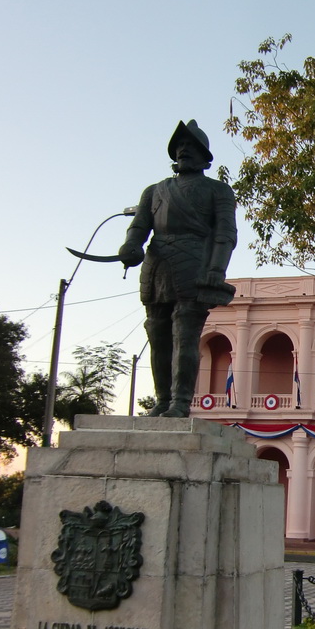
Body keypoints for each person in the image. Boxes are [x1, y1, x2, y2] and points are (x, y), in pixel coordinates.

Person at [118, 120, 238, 418]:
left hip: (194, 261)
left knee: (185, 334)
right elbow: (139, 227)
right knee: (157, 335)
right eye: (179, 146)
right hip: (156, 264)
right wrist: (130, 246)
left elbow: (225, 234)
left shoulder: (218, 191)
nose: (183, 150)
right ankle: (162, 400)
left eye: (190, 146)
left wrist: (216, 270)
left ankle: (181, 401)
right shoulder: (155, 191)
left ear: (204, 157)